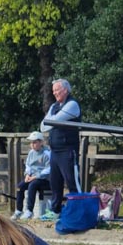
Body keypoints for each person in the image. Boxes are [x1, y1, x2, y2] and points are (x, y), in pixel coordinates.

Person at [39, 78, 81, 220]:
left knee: (71, 181)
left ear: (66, 90)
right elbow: (43, 126)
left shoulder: (72, 104)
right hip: (55, 150)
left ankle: (78, 210)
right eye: (53, 91)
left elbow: (53, 121)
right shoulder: (54, 106)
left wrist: (52, 120)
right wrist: (52, 120)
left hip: (68, 150)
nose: (55, 93)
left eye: (57, 90)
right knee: (55, 182)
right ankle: (55, 210)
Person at [12, 131, 51, 220]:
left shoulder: (47, 153)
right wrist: (27, 175)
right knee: (20, 186)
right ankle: (19, 210)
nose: (32, 145)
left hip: (45, 179)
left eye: (35, 142)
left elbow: (48, 169)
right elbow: (28, 166)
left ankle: (29, 211)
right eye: (31, 142)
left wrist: (36, 176)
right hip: (32, 177)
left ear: (41, 142)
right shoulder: (31, 153)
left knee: (32, 185)